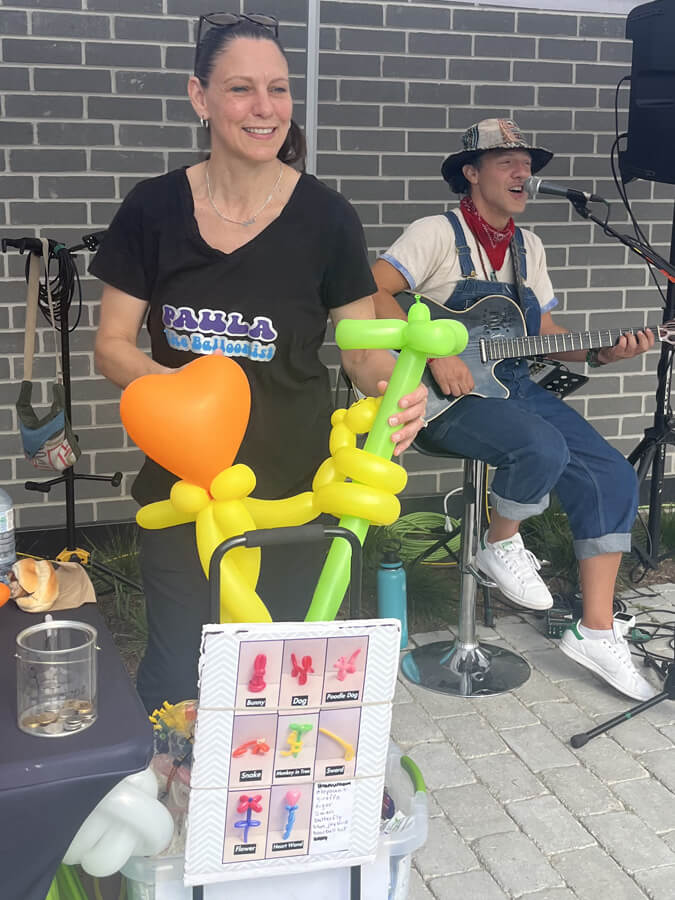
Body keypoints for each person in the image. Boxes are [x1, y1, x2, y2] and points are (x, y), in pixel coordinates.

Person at [91, 13, 426, 713]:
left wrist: (399, 395)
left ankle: (268, 810)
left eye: (277, 89)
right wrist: (181, 389)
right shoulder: (152, 209)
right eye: (241, 89)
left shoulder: (327, 218)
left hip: (294, 496)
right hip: (181, 490)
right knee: (179, 670)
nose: (264, 107)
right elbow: (112, 346)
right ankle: (176, 790)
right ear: (200, 97)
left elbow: (363, 354)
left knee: (282, 680)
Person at [372, 118, 657, 702]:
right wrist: (429, 347)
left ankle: (596, 630)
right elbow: (366, 290)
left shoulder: (529, 248)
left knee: (611, 474)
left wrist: (602, 352)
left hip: (513, 389)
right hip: (442, 398)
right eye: (506, 162)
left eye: (526, 163)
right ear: (472, 173)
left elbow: (545, 332)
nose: (522, 172)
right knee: (540, 447)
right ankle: (498, 544)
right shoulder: (435, 232)